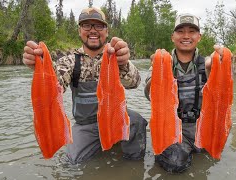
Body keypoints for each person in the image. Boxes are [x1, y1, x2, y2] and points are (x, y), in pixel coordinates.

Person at [23, 7, 147, 164]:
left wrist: (123, 65)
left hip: (115, 118)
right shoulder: (69, 61)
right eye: (87, 25)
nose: (93, 30)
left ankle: (132, 165)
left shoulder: (116, 56)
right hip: (86, 125)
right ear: (79, 30)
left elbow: (135, 83)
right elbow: (56, 85)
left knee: (137, 120)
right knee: (71, 162)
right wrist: (40, 65)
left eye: (99, 26)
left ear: (106, 31)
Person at [144, 13, 227, 173]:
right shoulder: (160, 63)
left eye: (192, 31)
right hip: (173, 127)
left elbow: (221, 100)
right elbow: (149, 95)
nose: (186, 36)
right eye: (180, 31)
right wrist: (158, 75)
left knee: (212, 156)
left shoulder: (208, 64)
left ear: (199, 36)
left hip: (200, 126)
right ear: (173, 37)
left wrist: (218, 68)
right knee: (176, 163)